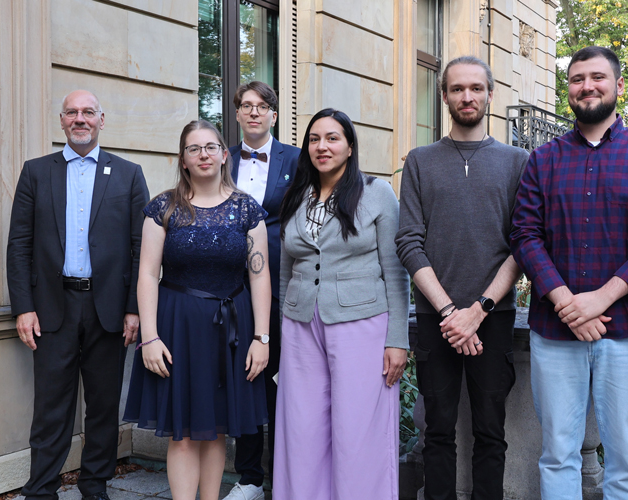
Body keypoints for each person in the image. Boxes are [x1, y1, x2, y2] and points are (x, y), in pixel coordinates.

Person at [510, 46, 628, 499]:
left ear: (619, 86)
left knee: (626, 457)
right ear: (568, 89)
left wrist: (600, 299)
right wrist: (567, 302)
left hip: (626, 331)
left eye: (598, 77)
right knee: (558, 454)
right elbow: (524, 234)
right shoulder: (542, 161)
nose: (587, 86)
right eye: (577, 79)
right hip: (554, 330)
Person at [395, 55, 528, 500]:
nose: (466, 96)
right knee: (437, 432)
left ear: (491, 94)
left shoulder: (517, 161)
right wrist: (452, 312)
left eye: (475, 88)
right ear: (444, 95)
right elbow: (409, 242)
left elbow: (523, 244)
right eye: (457, 89)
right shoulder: (419, 160)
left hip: (493, 316)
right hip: (437, 319)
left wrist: (478, 310)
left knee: (491, 433)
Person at [6, 90, 149, 500]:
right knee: (52, 405)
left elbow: (141, 247)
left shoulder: (128, 173)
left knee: (103, 405)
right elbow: (20, 244)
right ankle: (42, 488)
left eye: (88, 112)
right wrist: (24, 308)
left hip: (108, 308)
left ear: (102, 120)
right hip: (52, 306)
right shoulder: (36, 172)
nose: (80, 119)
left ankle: (94, 484)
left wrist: (133, 308)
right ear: (62, 120)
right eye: (72, 112)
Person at [123, 120, 272, 500]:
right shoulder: (163, 206)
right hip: (177, 328)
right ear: (183, 159)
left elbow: (260, 276)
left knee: (217, 428)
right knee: (184, 431)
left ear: (225, 155)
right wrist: (150, 337)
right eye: (194, 148)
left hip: (232, 330)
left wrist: (262, 338)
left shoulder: (247, 209)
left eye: (210, 147)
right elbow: (146, 274)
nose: (203, 154)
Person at [274, 108, 409, 500]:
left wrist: (396, 339)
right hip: (301, 328)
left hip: (361, 325)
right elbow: (287, 270)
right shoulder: (296, 196)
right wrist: (285, 328)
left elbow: (395, 272)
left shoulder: (377, 193)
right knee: (301, 429)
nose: (322, 146)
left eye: (332, 138)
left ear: (350, 147)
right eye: (314, 139)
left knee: (357, 430)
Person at [224, 81, 300, 500]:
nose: (254, 112)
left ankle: (286, 474)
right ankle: (250, 476)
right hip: (229, 289)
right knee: (243, 378)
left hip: (284, 286)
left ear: (274, 114)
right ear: (236, 114)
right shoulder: (221, 159)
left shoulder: (298, 159)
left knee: (282, 378)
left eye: (262, 106)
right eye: (246, 106)